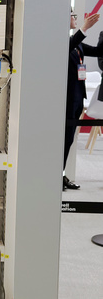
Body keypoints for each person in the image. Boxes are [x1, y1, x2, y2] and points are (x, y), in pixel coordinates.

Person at [64, 11, 103, 190]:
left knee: (69, 141)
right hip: (66, 101)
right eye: (72, 15)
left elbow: (98, 51)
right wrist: (84, 28)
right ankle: (56, 176)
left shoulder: (77, 44)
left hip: (77, 99)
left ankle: (60, 175)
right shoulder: (62, 42)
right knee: (64, 141)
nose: (75, 18)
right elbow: (68, 46)